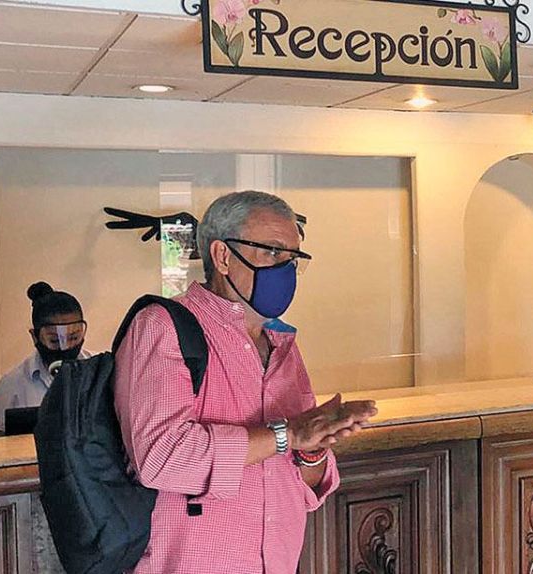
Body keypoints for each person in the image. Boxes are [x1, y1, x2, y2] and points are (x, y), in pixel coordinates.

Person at [114, 190, 377, 573]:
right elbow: (162, 458)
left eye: (293, 257)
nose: (285, 268)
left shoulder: (282, 343)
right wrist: (287, 434)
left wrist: (314, 448)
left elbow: (305, 487)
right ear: (222, 256)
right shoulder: (163, 326)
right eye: (272, 252)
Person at [0, 282, 89, 434]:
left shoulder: (100, 371)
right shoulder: (13, 384)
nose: (66, 347)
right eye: (54, 340)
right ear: (35, 337)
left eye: (74, 337)